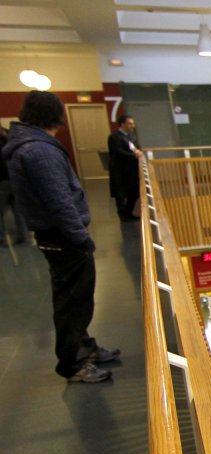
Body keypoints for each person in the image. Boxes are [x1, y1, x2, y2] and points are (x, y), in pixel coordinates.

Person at [3, 91, 120, 383]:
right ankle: (73, 363)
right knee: (73, 301)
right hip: (63, 238)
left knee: (76, 299)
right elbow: (58, 201)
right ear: (55, 114)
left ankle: (83, 348)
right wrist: (80, 237)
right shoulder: (39, 151)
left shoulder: (30, 146)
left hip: (57, 235)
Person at [107, 114, 142, 221]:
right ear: (122, 124)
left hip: (131, 170)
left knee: (134, 192)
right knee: (120, 193)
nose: (133, 126)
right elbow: (118, 152)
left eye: (133, 123)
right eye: (130, 124)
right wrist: (134, 155)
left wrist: (139, 153)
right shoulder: (114, 137)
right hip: (120, 170)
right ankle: (123, 215)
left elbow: (136, 148)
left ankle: (128, 212)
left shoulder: (132, 137)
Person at [0, 126, 30, 246]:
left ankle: (1, 239)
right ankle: (23, 236)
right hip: (15, 178)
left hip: (1, 181)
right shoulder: (10, 139)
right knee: (18, 210)